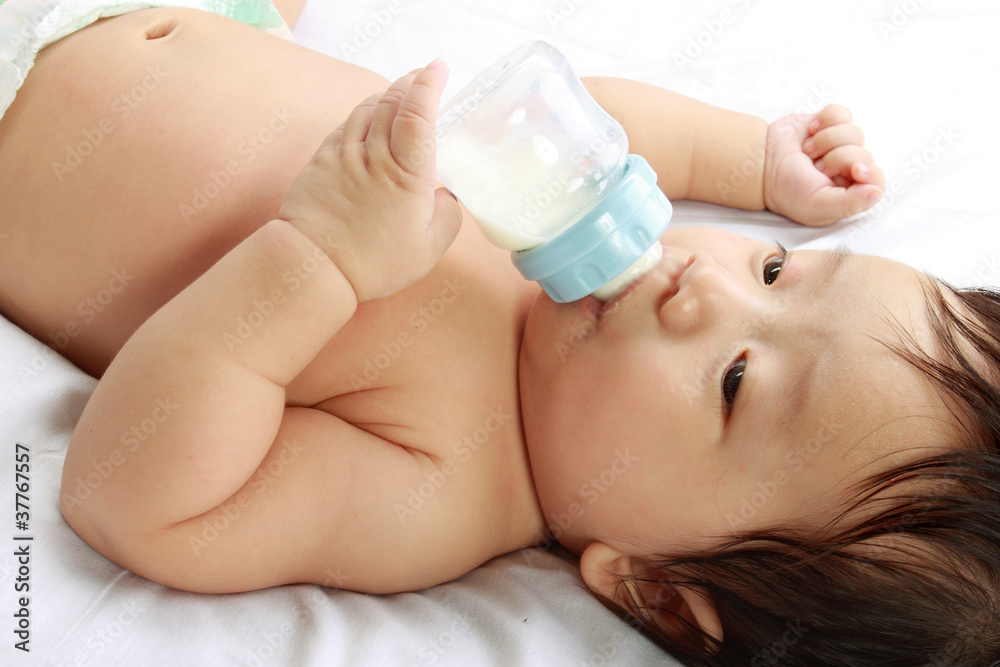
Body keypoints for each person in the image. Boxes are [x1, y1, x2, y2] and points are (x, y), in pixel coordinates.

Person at [1, 1, 997, 664]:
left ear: (653, 588)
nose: (711, 279)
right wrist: (760, 160)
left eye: (735, 379)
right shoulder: (562, 236)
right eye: (778, 270)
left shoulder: (441, 484)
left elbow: (143, 500)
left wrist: (319, 260)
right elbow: (604, 121)